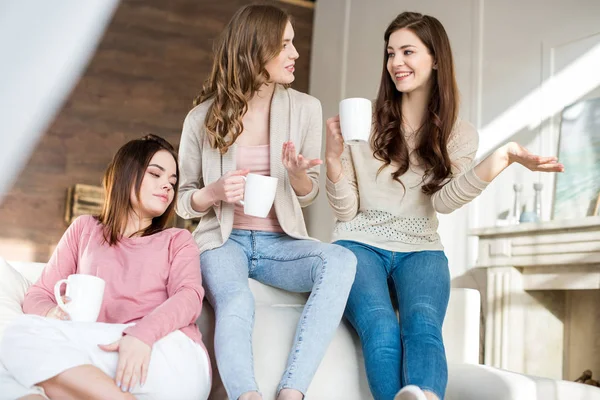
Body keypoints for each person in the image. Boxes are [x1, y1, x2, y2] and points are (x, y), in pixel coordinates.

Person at [324, 11, 564, 400]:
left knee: (422, 323)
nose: (396, 63)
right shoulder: (362, 119)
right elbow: (347, 211)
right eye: (390, 53)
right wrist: (334, 159)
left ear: (435, 58)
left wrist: (503, 157)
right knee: (381, 325)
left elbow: (446, 201)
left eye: (407, 52)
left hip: (421, 247)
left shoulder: (459, 134)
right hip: (358, 243)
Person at [176, 4, 357, 400]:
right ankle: (247, 395)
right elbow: (183, 200)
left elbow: (307, 194)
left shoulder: (305, 108)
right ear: (256, 50)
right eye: (286, 45)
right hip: (223, 242)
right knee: (235, 297)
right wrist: (215, 192)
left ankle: (293, 390)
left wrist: (295, 175)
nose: (295, 54)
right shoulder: (202, 118)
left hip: (281, 242)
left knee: (341, 260)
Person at [0, 134, 211, 400]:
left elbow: (189, 297)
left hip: (167, 353)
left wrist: (141, 336)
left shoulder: (178, 240)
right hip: (104, 352)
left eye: (172, 181)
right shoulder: (84, 229)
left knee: (18, 345)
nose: (167, 186)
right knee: (10, 357)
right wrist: (52, 313)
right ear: (126, 173)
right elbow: (38, 294)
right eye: (155, 174)